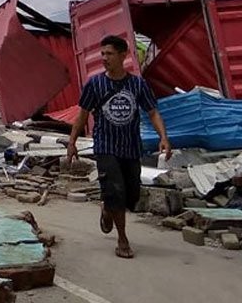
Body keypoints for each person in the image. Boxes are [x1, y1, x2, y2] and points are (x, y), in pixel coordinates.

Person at [66, 34, 171, 259]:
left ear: (123, 55)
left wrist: (163, 137)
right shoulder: (95, 84)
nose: (104, 58)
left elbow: (152, 112)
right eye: (102, 54)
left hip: (131, 147)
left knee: (131, 196)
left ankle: (108, 208)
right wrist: (72, 142)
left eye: (109, 54)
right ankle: (122, 239)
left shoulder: (137, 84)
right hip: (105, 145)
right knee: (115, 190)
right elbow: (82, 115)